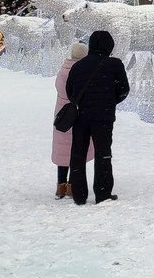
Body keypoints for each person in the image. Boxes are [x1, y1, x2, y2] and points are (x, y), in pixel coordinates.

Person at [66, 30, 129, 205]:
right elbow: (124, 89)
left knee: (78, 153)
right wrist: (110, 100)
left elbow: (70, 92)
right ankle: (102, 192)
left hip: (81, 116)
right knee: (103, 154)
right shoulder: (115, 65)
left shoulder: (78, 66)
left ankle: (79, 194)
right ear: (109, 46)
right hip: (104, 116)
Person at [53, 42, 94, 198]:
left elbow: (59, 88)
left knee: (63, 152)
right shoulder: (84, 71)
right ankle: (71, 186)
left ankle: (60, 186)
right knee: (76, 151)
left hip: (63, 115)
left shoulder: (63, 69)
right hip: (78, 115)